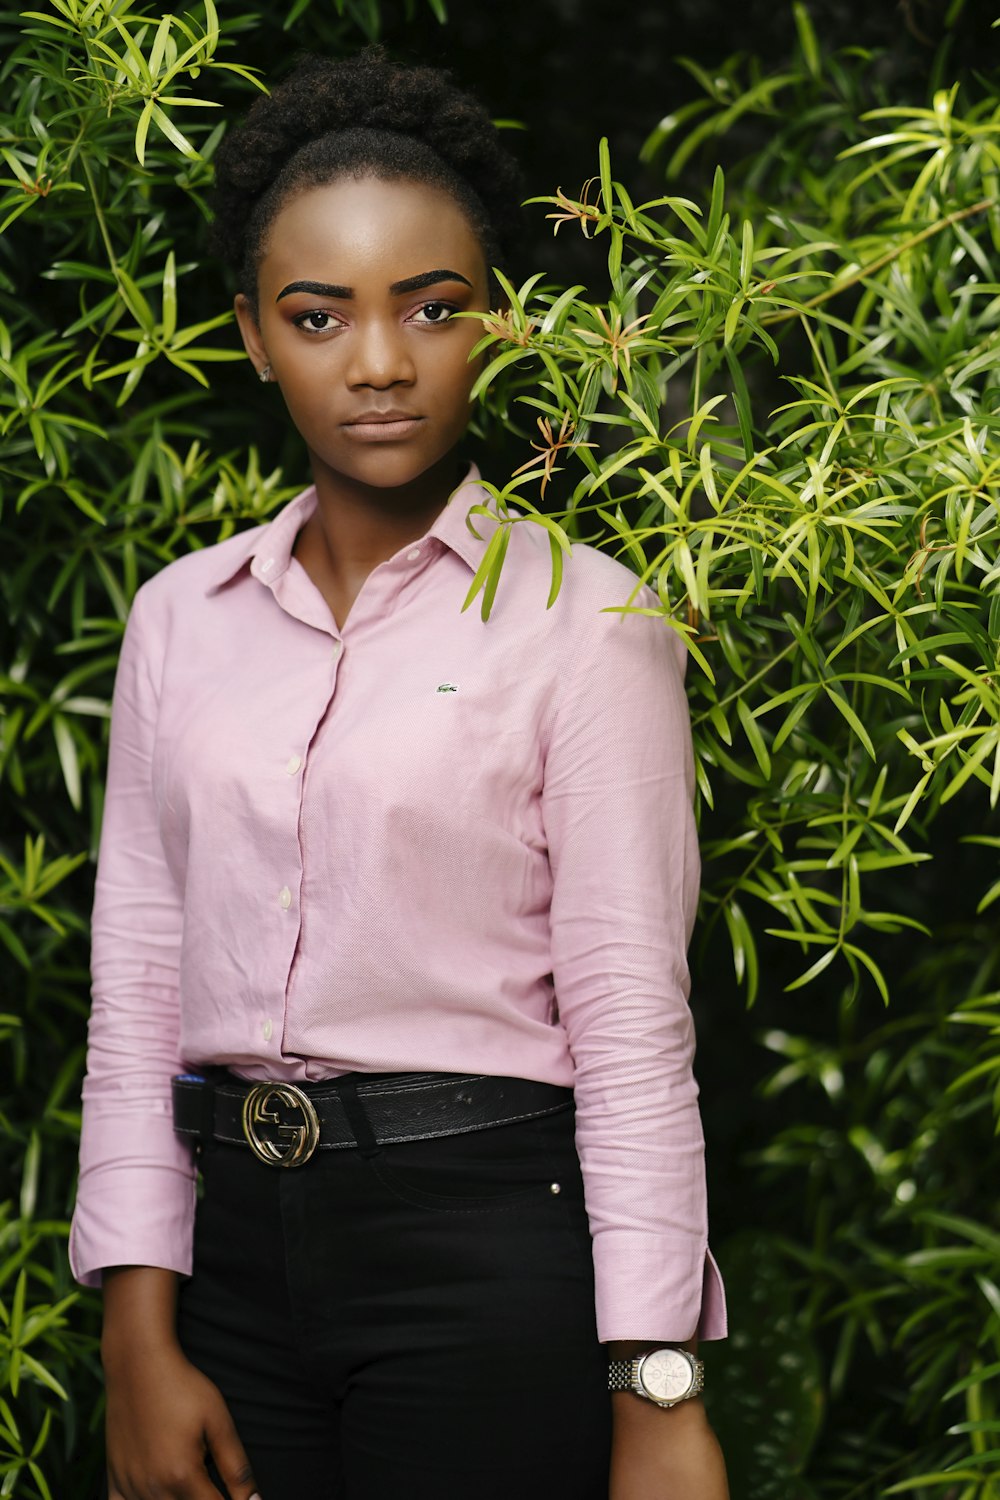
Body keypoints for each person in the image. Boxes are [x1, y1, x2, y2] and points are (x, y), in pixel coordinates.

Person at [70, 47, 729, 1500]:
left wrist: (658, 1386)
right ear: (251, 335)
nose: (379, 361)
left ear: (492, 321)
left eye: (432, 309)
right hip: (228, 1264)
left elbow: (629, 1028)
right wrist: (135, 1322)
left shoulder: (589, 619)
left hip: (486, 1254)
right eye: (321, 316)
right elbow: (140, 978)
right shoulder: (182, 616)